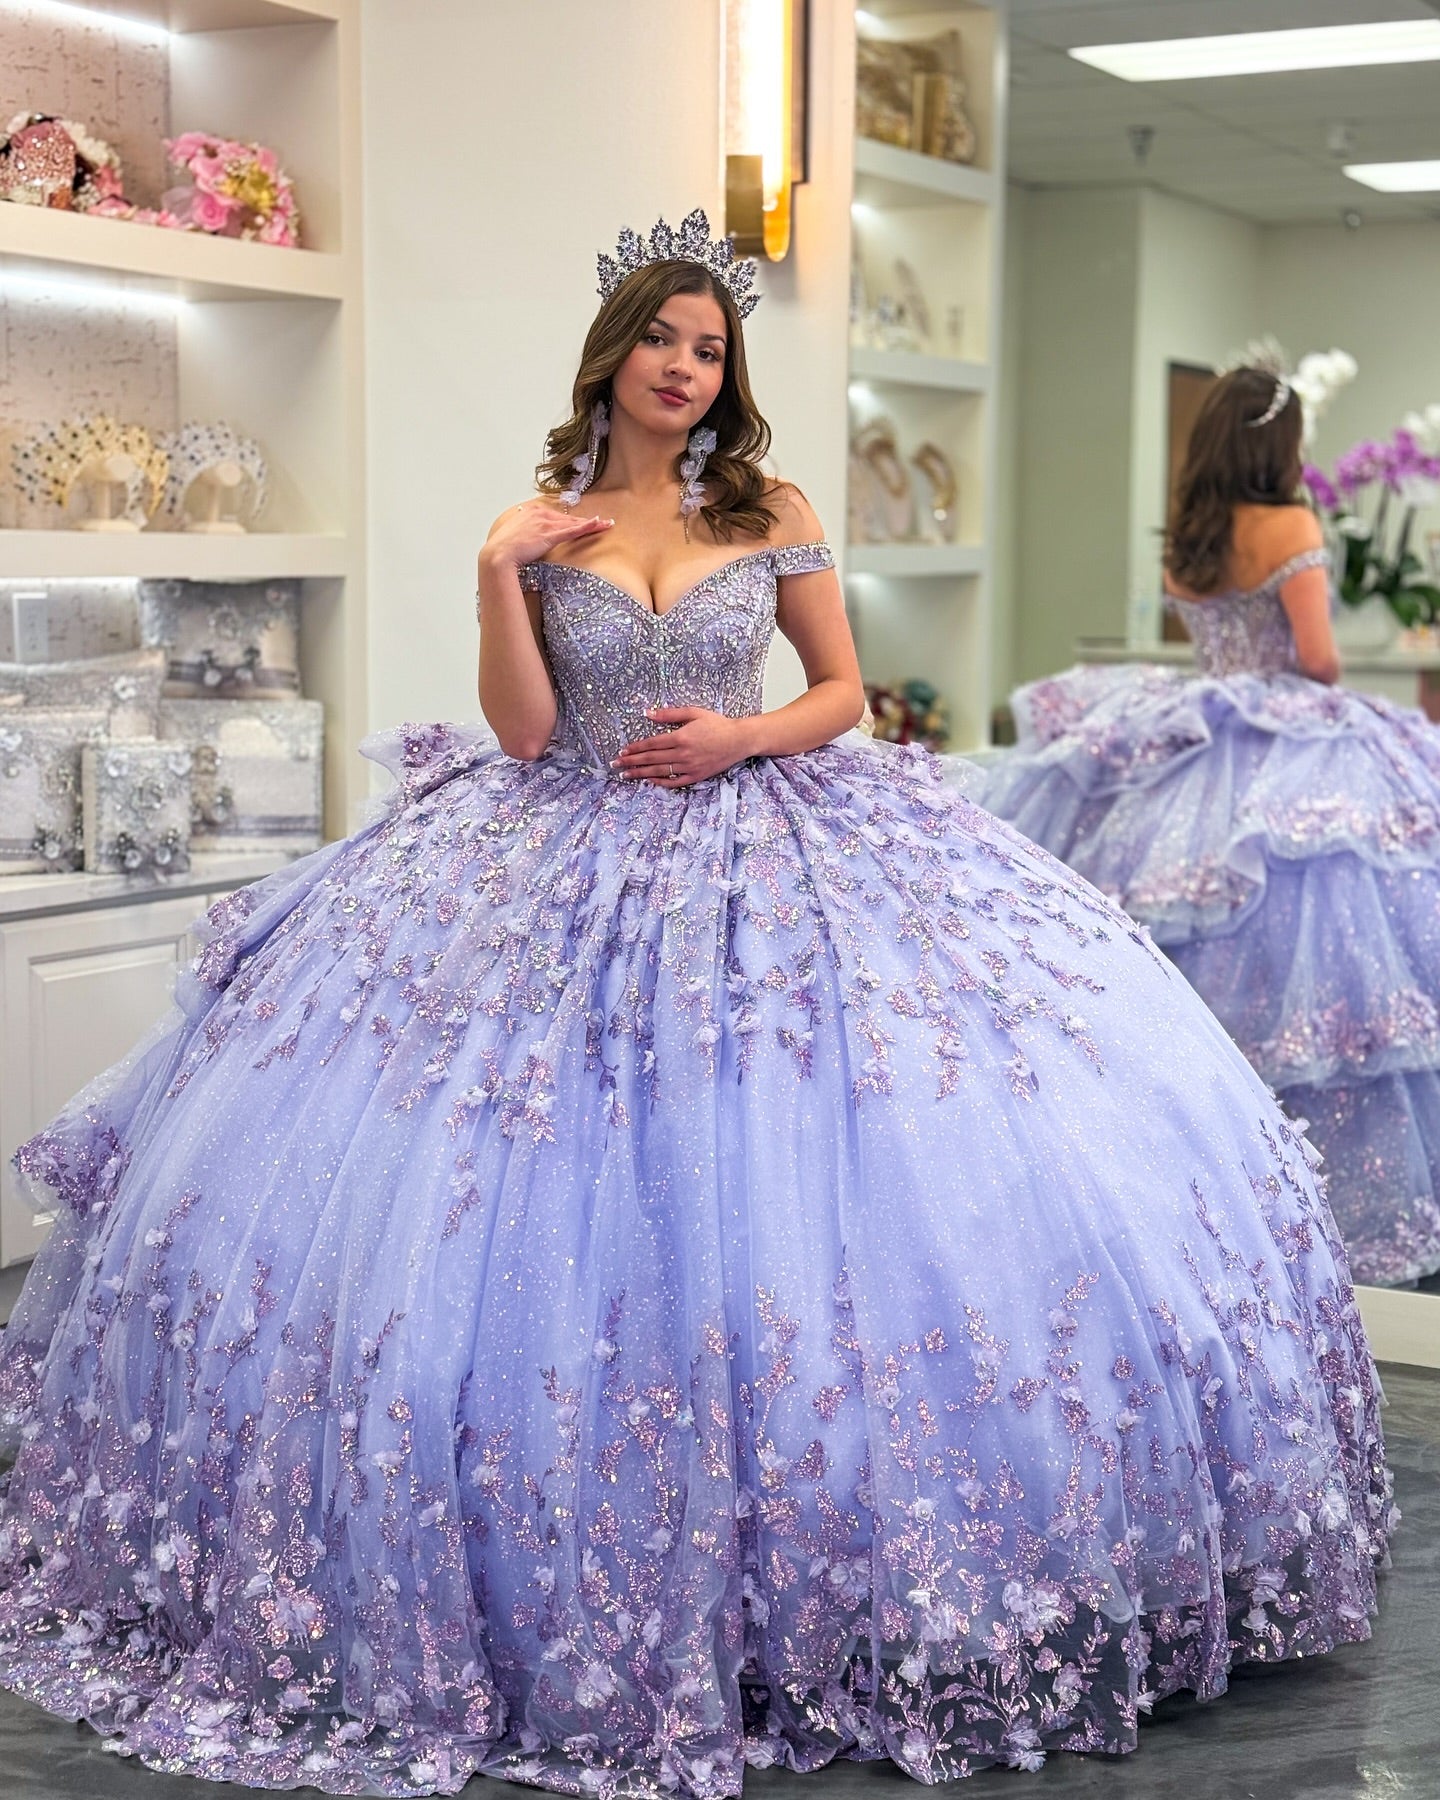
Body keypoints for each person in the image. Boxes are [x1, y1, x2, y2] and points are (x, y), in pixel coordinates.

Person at [0, 224, 1391, 1797]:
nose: (687, 365)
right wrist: (496, 577)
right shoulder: (543, 528)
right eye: (664, 339)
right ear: (613, 356)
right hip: (561, 850)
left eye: (712, 348)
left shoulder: (773, 510)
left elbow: (840, 692)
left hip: (769, 833)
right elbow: (524, 740)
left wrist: (740, 740)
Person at [980, 365, 1440, 1290]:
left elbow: (1214, 645)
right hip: (1285, 736)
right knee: (1329, 928)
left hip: (1197, 738)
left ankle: (1200, 1179)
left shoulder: (1187, 539)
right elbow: (1316, 658)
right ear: (1279, 442)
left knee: (1178, 932)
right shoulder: (1293, 525)